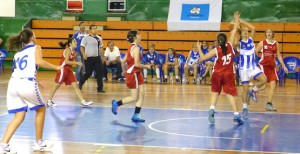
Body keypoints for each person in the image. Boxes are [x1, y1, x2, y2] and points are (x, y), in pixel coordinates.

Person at [1, 28, 61, 153]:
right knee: (41, 109)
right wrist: (56, 67)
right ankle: (39, 142)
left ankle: (3, 145)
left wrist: (37, 82)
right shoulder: (36, 47)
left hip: (13, 84)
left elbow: (19, 71)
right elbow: (39, 61)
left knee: (19, 116)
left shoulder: (18, 53)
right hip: (26, 83)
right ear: (32, 37)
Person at [197, 11, 243, 124]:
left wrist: (199, 48)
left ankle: (212, 108)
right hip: (228, 74)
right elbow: (235, 30)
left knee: (215, 92)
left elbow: (203, 58)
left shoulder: (215, 50)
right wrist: (236, 19)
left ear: (218, 41)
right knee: (229, 94)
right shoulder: (230, 45)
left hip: (217, 73)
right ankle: (236, 114)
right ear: (226, 40)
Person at [111, 30, 151, 122]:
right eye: (139, 34)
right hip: (134, 74)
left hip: (136, 74)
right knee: (134, 97)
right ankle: (116, 103)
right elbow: (136, 64)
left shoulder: (131, 47)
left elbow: (123, 61)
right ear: (135, 37)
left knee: (142, 94)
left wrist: (124, 71)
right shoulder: (136, 49)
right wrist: (146, 66)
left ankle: (136, 115)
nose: (141, 35)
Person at [47, 38, 93, 107]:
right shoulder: (68, 50)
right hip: (63, 69)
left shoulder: (73, 51)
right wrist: (76, 62)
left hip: (69, 70)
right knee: (57, 85)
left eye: (76, 41)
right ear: (70, 44)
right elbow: (66, 61)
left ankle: (83, 102)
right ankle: (49, 101)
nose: (76, 42)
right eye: (74, 41)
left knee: (76, 86)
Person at [236, 20, 267, 118]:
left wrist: (241, 21)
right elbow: (232, 42)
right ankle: (244, 108)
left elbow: (253, 28)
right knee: (244, 90)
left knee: (264, 80)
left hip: (253, 67)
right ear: (240, 34)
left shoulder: (250, 40)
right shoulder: (239, 43)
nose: (246, 31)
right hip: (244, 69)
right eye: (244, 31)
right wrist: (237, 24)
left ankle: (252, 91)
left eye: (246, 30)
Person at [256, 29, 288, 111]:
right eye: (267, 32)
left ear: (273, 34)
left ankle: (269, 104)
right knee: (263, 86)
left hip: (272, 68)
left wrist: (284, 66)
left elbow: (279, 55)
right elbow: (255, 52)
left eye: (270, 32)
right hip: (263, 66)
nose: (268, 33)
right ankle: (252, 90)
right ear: (265, 34)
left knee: (273, 86)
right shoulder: (262, 43)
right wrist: (256, 61)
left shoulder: (275, 43)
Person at [79, 24, 105, 93]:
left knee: (99, 73)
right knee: (88, 73)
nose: (95, 29)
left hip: (97, 58)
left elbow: (101, 47)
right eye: (93, 28)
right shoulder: (86, 38)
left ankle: (100, 88)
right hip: (88, 58)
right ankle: (81, 83)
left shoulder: (99, 38)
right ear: (90, 30)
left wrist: (103, 56)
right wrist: (84, 54)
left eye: (96, 28)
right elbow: (82, 47)